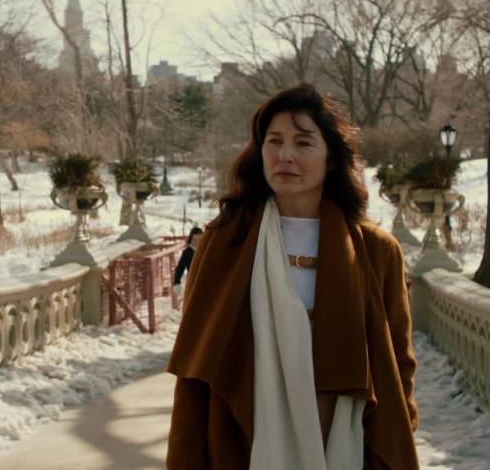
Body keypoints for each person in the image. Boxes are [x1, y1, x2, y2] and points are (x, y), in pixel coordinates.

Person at [166, 84, 418, 469]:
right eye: (274, 141)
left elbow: (398, 363)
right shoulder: (224, 243)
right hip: (243, 443)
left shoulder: (376, 250)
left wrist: (401, 430)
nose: (285, 155)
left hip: (346, 445)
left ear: (331, 158)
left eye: (303, 143)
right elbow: (195, 367)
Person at [173, 227, 203, 296]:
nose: (197, 242)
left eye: (199, 239)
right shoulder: (187, 252)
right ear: (191, 239)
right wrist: (177, 283)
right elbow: (180, 269)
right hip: (193, 282)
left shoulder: (205, 250)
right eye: (195, 239)